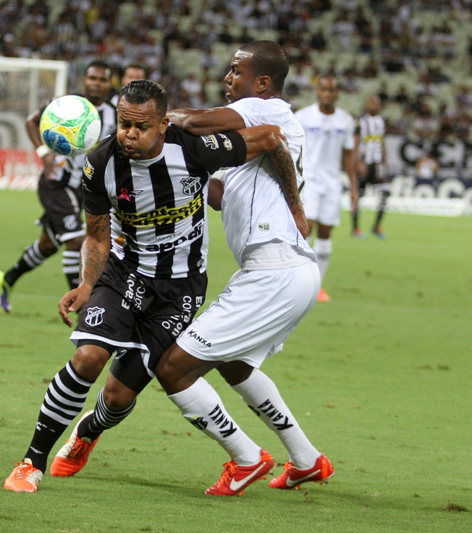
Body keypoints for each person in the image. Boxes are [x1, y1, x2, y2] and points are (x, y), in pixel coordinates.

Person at [3, 79, 305, 493]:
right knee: (88, 358)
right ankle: (30, 463)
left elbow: (271, 137)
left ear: (162, 124)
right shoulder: (101, 162)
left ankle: (88, 431)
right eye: (124, 123)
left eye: (140, 126)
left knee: (119, 395)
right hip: (124, 272)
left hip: (180, 288)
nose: (129, 134)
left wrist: (295, 206)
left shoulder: (195, 148)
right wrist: (87, 284)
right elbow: (96, 234)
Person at [154, 41, 334, 496]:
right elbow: (218, 195)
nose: (227, 79)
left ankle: (246, 458)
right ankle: (307, 460)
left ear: (263, 82)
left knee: (174, 368)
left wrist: (156, 118)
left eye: (236, 70)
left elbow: (195, 121)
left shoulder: (264, 108)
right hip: (281, 270)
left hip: (274, 268)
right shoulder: (251, 142)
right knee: (234, 364)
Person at [0, 60, 117, 313]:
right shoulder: (68, 105)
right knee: (76, 241)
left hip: (87, 187)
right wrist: (44, 153)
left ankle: (8, 278)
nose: (97, 83)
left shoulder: (115, 112)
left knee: (49, 243)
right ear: (85, 80)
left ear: (109, 83)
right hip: (57, 184)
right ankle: (84, 308)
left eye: (103, 80)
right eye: (93, 78)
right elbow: (31, 121)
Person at [295, 75, 358, 302]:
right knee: (306, 228)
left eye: (332, 90)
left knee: (326, 232)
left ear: (337, 93)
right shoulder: (302, 117)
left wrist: (353, 187)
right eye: (324, 89)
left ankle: (317, 286)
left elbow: (349, 155)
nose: (327, 94)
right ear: (317, 91)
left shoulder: (346, 120)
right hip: (308, 180)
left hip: (332, 183)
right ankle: (299, 280)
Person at [352, 95, 388, 239]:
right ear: (366, 104)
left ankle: (376, 226)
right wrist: (357, 163)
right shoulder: (360, 122)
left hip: (377, 163)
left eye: (377, 103)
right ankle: (355, 228)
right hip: (364, 163)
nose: (374, 105)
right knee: (359, 196)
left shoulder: (381, 122)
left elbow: (382, 142)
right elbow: (355, 143)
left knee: (385, 194)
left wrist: (385, 162)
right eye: (371, 102)